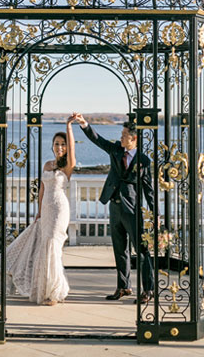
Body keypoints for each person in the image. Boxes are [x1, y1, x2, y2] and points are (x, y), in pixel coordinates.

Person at [0, 115, 76, 305]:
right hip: (46, 209)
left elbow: (71, 150)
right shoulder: (47, 164)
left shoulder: (68, 166)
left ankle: (55, 292)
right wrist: (39, 211)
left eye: (63, 144)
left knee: (53, 246)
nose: (59, 147)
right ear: (52, 146)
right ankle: (43, 289)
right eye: (56, 144)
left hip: (59, 209)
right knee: (42, 247)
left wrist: (68, 125)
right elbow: (42, 189)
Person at [74, 113, 155, 305]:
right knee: (120, 250)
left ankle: (148, 289)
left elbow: (149, 189)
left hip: (133, 210)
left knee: (142, 251)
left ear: (133, 138)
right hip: (115, 207)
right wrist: (85, 125)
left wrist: (155, 213)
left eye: (124, 134)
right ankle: (124, 286)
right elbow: (98, 140)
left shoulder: (144, 161)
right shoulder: (116, 150)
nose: (120, 137)